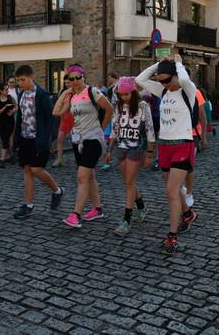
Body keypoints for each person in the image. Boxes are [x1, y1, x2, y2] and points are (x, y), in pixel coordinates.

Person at [136, 55, 198, 256]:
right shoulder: (162, 90)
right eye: (160, 80)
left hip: (182, 145)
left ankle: (172, 236)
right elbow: (139, 79)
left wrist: (177, 62)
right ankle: (187, 213)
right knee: (172, 187)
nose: (164, 84)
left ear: (176, 75)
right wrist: (160, 64)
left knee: (171, 192)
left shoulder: (187, 90)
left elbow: (185, 79)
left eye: (167, 80)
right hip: (164, 145)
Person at [53, 64, 113, 228]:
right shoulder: (72, 96)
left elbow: (109, 109)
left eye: (77, 77)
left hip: (92, 140)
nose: (75, 81)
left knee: (82, 177)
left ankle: (76, 215)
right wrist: (65, 93)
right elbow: (56, 112)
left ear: (83, 76)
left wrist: (101, 129)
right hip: (78, 141)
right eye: (71, 79)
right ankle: (97, 209)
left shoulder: (92, 91)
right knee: (89, 176)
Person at [12, 65, 64, 219]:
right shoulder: (21, 94)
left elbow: (51, 118)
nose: (20, 83)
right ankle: (29, 205)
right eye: (18, 80)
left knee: (36, 169)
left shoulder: (42, 95)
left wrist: (48, 139)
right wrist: (16, 139)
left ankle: (57, 191)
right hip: (24, 138)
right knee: (27, 170)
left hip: (38, 140)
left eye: (23, 80)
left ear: (32, 77)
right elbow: (20, 118)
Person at [106, 77, 155, 236]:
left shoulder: (143, 106)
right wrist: (109, 149)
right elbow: (115, 129)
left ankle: (126, 219)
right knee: (129, 182)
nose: (124, 97)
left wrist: (149, 153)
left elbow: (149, 129)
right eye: (121, 94)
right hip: (121, 147)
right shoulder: (118, 106)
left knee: (129, 182)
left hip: (136, 147)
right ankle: (141, 206)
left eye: (126, 94)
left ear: (133, 92)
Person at [182, 67, 208, 209]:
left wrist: (203, 137)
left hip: (193, 134)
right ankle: (181, 188)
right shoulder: (172, 91)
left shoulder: (196, 92)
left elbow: (202, 116)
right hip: (177, 134)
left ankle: (189, 192)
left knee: (188, 165)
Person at [0, 83, 17, 168]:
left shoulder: (10, 97)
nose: (7, 91)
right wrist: (5, 107)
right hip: (2, 122)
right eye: (6, 89)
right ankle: (12, 156)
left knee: (7, 139)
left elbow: (16, 106)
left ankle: (3, 160)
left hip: (10, 121)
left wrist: (13, 111)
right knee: (4, 139)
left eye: (8, 89)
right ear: (1, 91)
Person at [52, 75, 74, 168]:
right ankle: (59, 159)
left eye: (68, 82)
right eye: (65, 83)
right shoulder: (63, 92)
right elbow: (59, 106)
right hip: (65, 117)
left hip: (75, 118)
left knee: (77, 140)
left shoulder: (77, 92)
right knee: (60, 139)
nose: (67, 84)